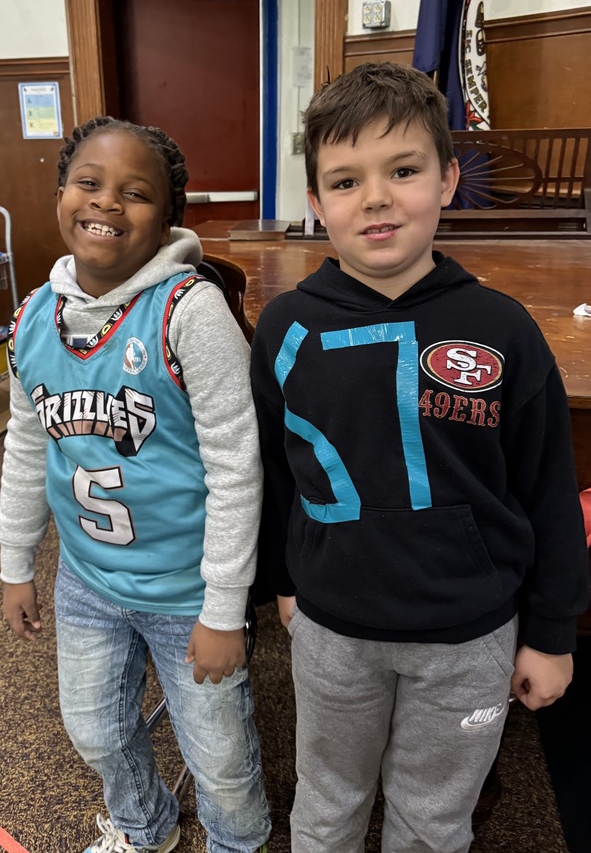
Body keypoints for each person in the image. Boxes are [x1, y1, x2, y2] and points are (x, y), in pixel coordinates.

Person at [250, 62, 590, 853]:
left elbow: (547, 488)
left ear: (448, 180)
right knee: (327, 804)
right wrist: (284, 583)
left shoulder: (504, 329)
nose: (375, 198)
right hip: (333, 630)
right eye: (345, 181)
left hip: (468, 637)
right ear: (316, 203)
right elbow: (273, 474)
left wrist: (552, 632)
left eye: (402, 171)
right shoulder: (284, 328)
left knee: (434, 819)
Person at [0, 117, 270, 853]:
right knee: (94, 730)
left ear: (169, 217)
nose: (107, 202)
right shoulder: (30, 319)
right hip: (88, 582)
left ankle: (237, 844)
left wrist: (223, 609)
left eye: (136, 193)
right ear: (61, 195)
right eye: (88, 183)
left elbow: (237, 466)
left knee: (221, 762)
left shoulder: (190, 311)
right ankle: (146, 827)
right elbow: (26, 445)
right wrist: (16, 562)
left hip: (187, 593)